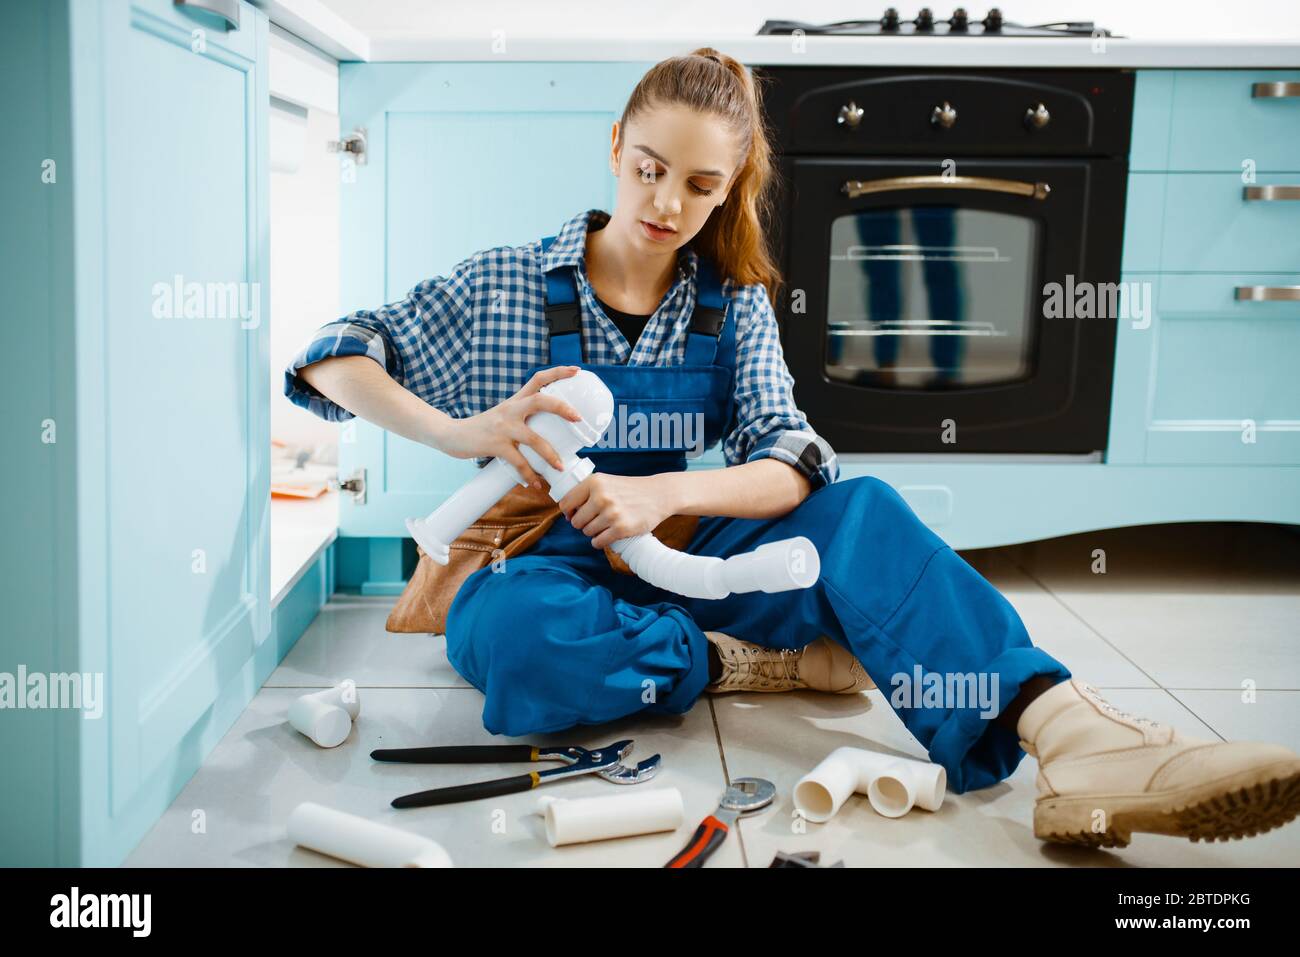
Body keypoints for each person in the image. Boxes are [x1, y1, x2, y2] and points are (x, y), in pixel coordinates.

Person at [285, 48, 1300, 849]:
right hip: (546, 560)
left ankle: (1071, 737)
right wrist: (463, 431)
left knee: (860, 514)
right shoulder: (508, 281)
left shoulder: (731, 306)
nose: (666, 204)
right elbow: (336, 356)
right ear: (613, 148)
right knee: (510, 641)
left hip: (691, 548)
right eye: (648, 169)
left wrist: (659, 496)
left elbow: (792, 460)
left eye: (698, 184)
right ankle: (739, 667)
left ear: (727, 190)